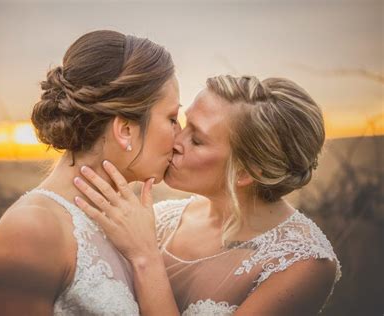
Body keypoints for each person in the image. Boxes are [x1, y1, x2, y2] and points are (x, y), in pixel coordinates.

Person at [74, 75, 342, 315]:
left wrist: (145, 258)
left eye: (197, 140)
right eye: (181, 123)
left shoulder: (303, 263)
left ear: (245, 172)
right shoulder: (161, 218)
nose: (175, 142)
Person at [0, 30, 181, 315]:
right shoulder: (32, 229)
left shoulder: (132, 226)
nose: (180, 136)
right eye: (172, 119)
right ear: (125, 130)